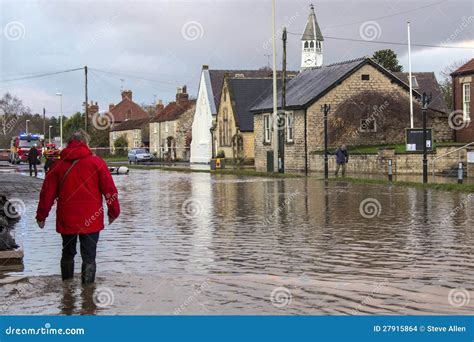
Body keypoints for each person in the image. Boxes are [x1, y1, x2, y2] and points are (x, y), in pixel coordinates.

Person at [36, 130, 120, 284]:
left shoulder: (58, 165)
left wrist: (41, 215)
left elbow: (47, 193)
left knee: (67, 253)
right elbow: (110, 190)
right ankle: (88, 294)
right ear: (86, 143)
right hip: (92, 218)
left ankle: (66, 291)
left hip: (67, 218)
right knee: (89, 256)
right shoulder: (97, 163)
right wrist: (113, 212)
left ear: (68, 144)